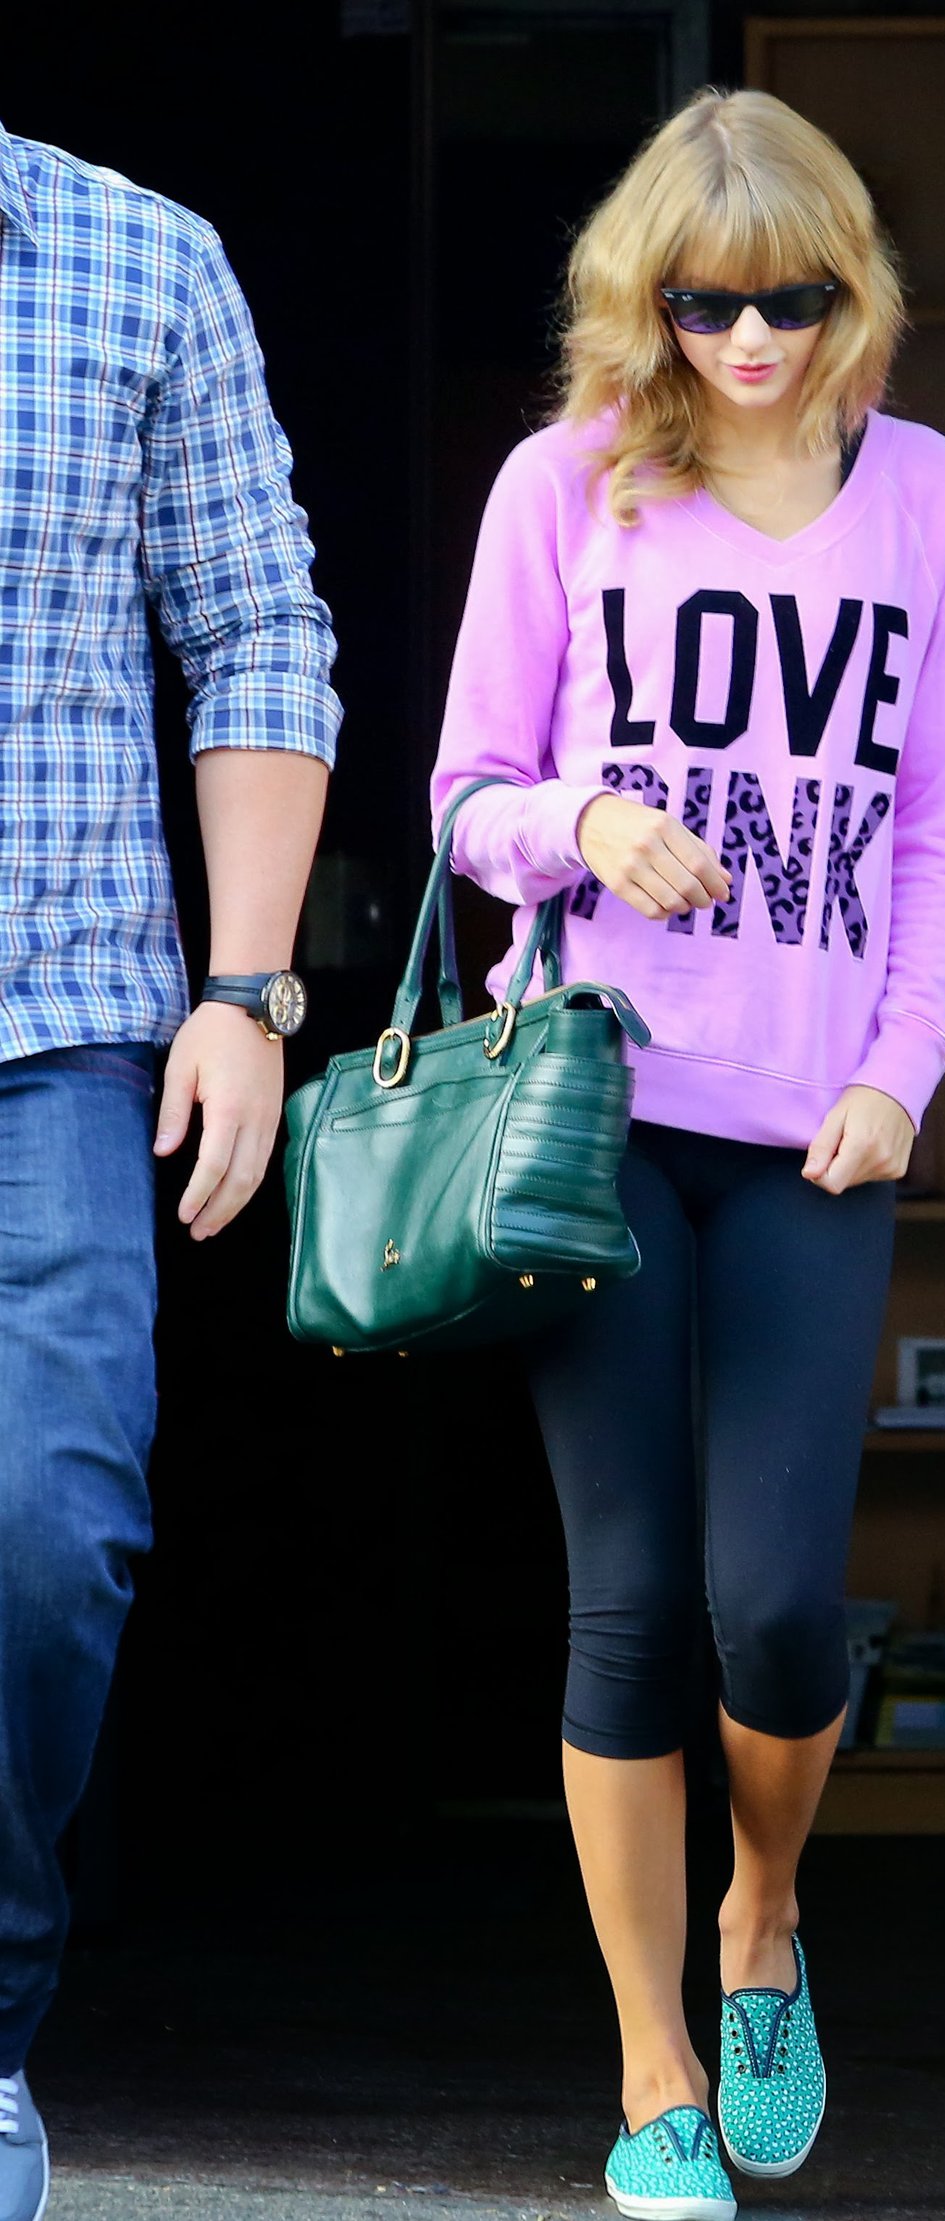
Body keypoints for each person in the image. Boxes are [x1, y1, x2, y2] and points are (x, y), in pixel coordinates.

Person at [431, 87, 945, 2221]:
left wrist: (904, 1066)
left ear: (850, 293)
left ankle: (765, 1910)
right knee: (634, 1598)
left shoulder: (926, 499)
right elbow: (463, 786)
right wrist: (573, 823)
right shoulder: (565, 484)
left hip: (811, 1134)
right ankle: (654, 2071)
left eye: (789, 302)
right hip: (589, 1103)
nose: (747, 343)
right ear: (640, 298)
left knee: (774, 1611)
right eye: (702, 303)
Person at [0, 117, 338, 2221]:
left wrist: (246, 988)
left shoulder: (135, 260)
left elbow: (256, 629)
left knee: (49, 1530)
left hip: (57, 1032)